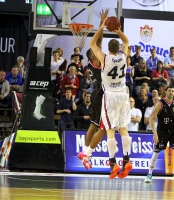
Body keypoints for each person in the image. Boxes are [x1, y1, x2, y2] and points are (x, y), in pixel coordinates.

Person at [87, 18, 132, 179]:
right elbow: (126, 41)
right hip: (123, 95)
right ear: (118, 47)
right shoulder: (123, 56)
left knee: (110, 129)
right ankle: (127, 159)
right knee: (123, 128)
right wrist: (118, 31)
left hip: (110, 97)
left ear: (108, 48)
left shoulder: (105, 58)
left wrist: (102, 27)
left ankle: (113, 163)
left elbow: (92, 44)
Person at [77, 10, 108, 170]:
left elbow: (99, 44)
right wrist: (101, 26)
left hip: (100, 94)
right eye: (96, 50)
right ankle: (86, 153)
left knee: (94, 125)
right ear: (92, 56)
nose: (99, 51)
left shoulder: (94, 62)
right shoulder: (95, 60)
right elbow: (98, 43)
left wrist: (102, 25)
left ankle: (85, 153)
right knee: (99, 127)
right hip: (100, 95)